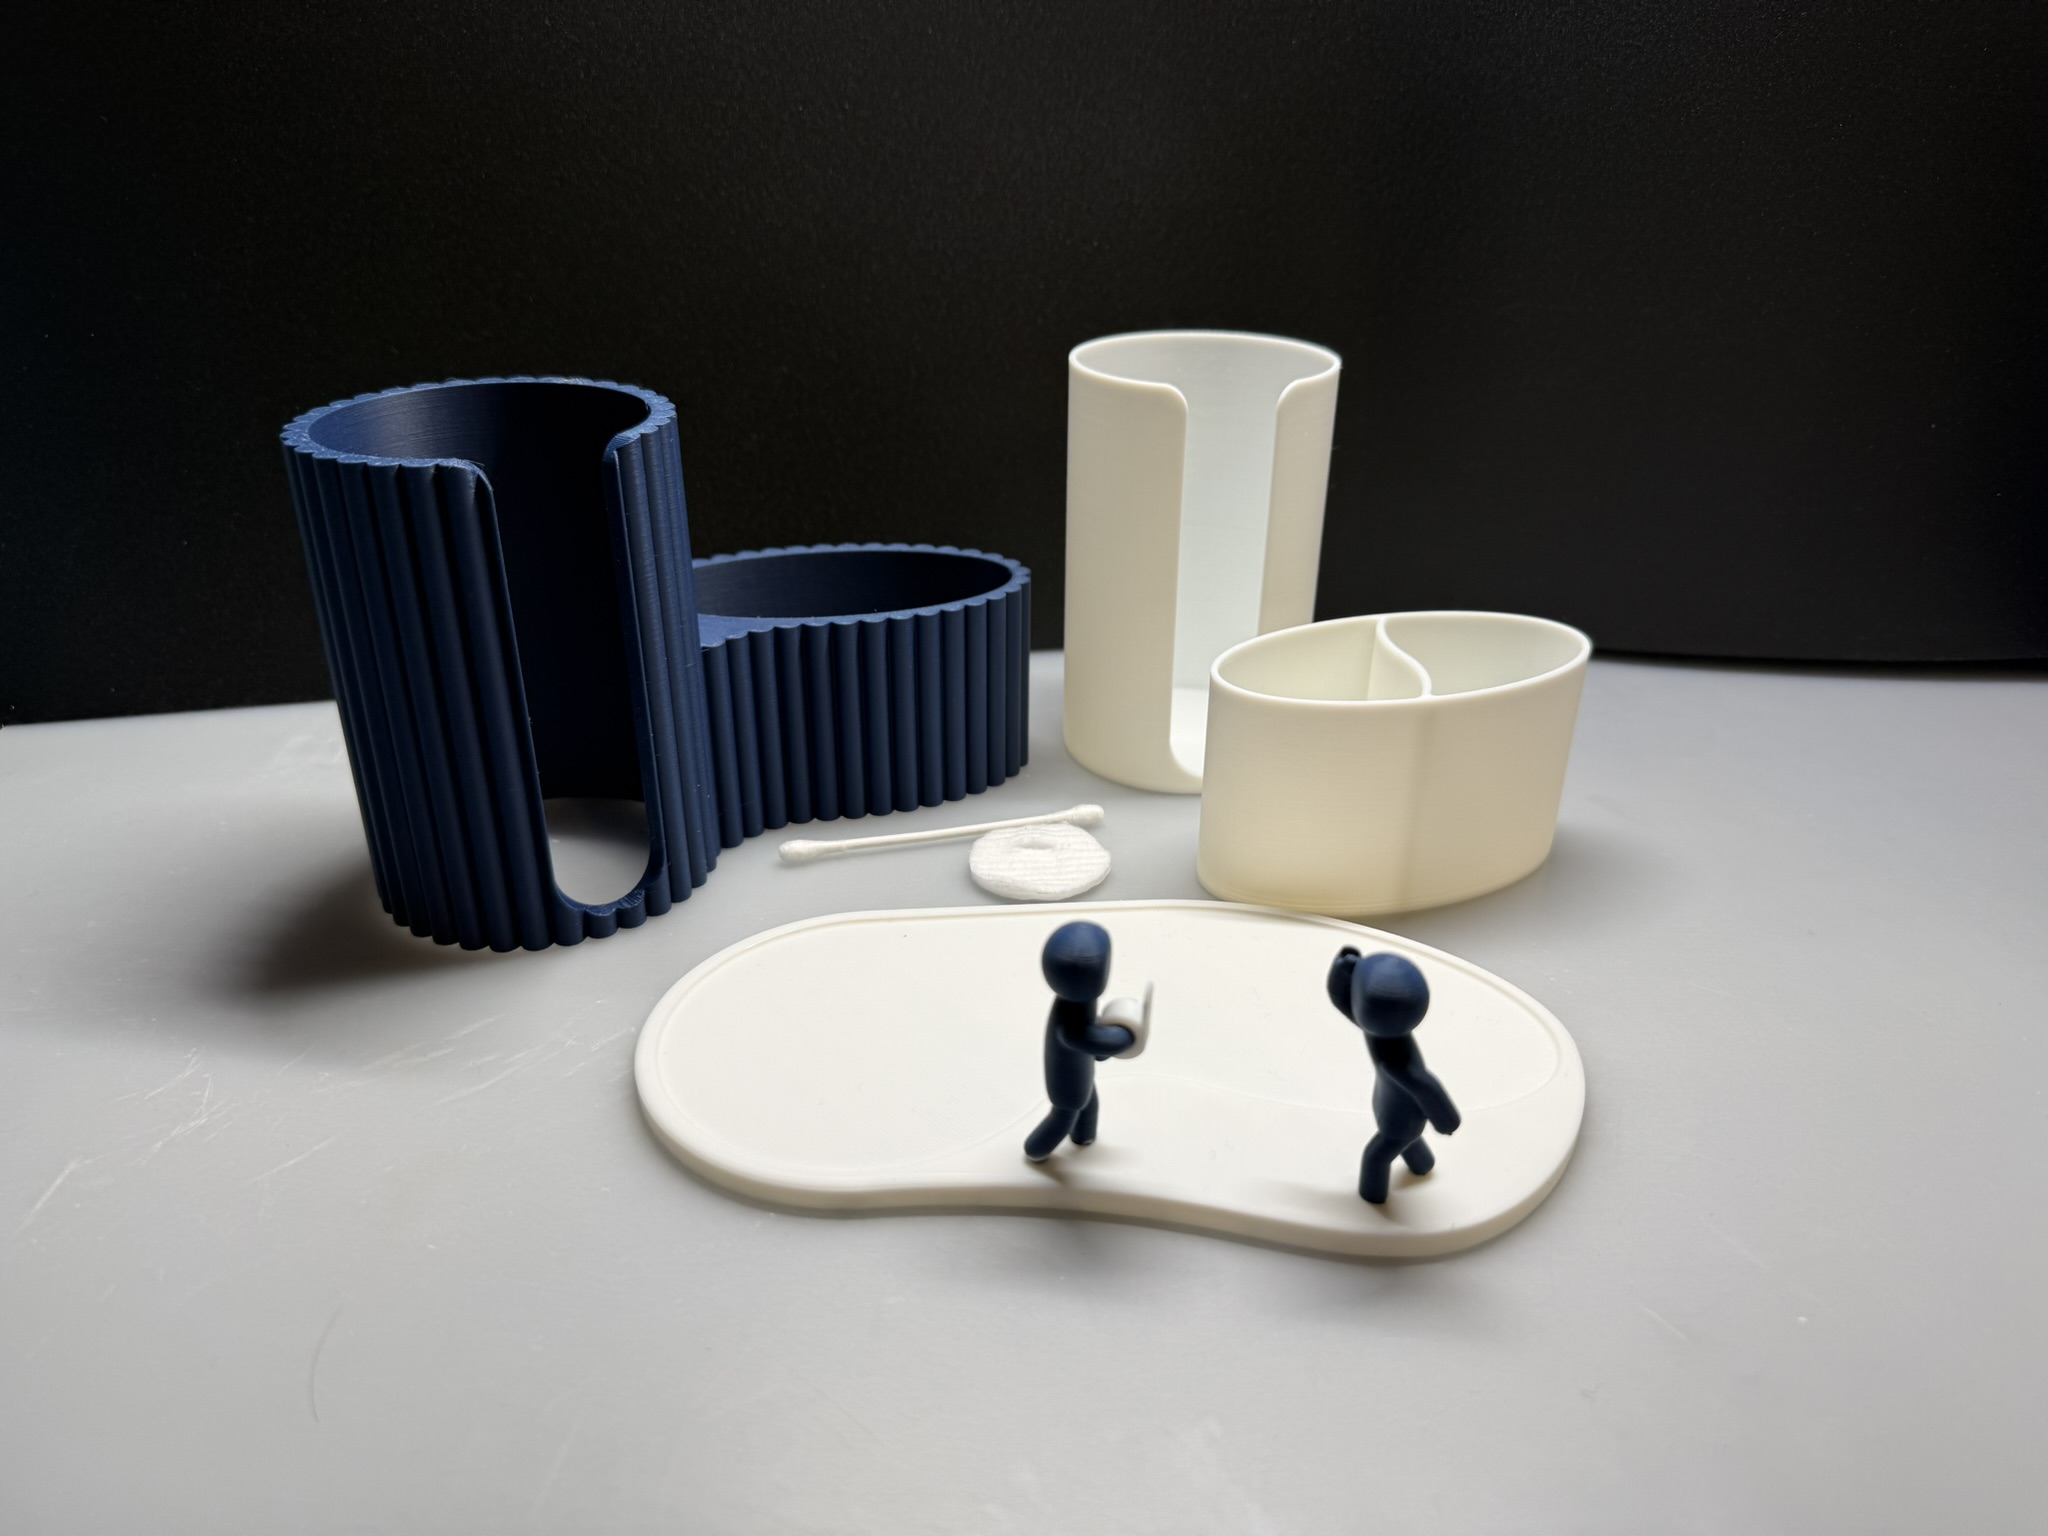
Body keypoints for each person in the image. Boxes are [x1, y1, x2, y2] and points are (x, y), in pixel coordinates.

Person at [1326, 947, 1461, 1203]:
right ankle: (1423, 1164)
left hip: (1397, 1122)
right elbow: (1344, 1003)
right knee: (1409, 1142)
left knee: (1375, 1158)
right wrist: (1342, 969)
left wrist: (1446, 1121)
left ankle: (1372, 1197)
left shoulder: (1398, 1063)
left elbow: (1425, 1086)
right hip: (1393, 1112)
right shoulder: (1377, 1031)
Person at [1024, 921, 1137, 1162]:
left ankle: (1083, 1137)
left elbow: (1092, 1042)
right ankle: (1035, 1150)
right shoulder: (1069, 1022)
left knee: (1088, 1105)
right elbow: (1086, 1039)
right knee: (1064, 1116)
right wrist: (1123, 1038)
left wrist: (1102, 1049)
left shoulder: (1078, 1007)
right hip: (1067, 1084)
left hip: (1081, 1072)